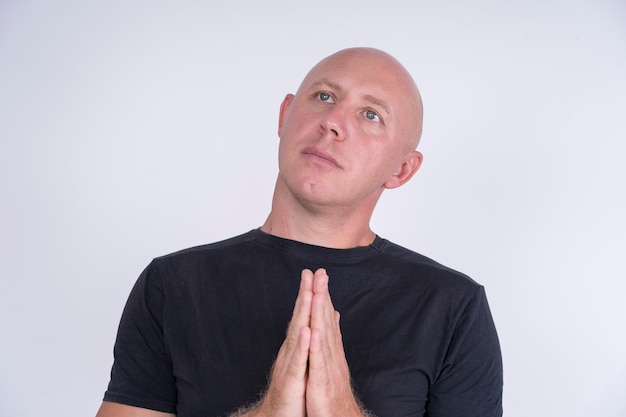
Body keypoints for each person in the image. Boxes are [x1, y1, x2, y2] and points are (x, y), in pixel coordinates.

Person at [96, 47, 503, 417]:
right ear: (284, 115)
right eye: (324, 96)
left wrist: (343, 410)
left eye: (371, 114)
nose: (333, 123)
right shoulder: (171, 284)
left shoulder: (452, 308)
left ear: (401, 169)